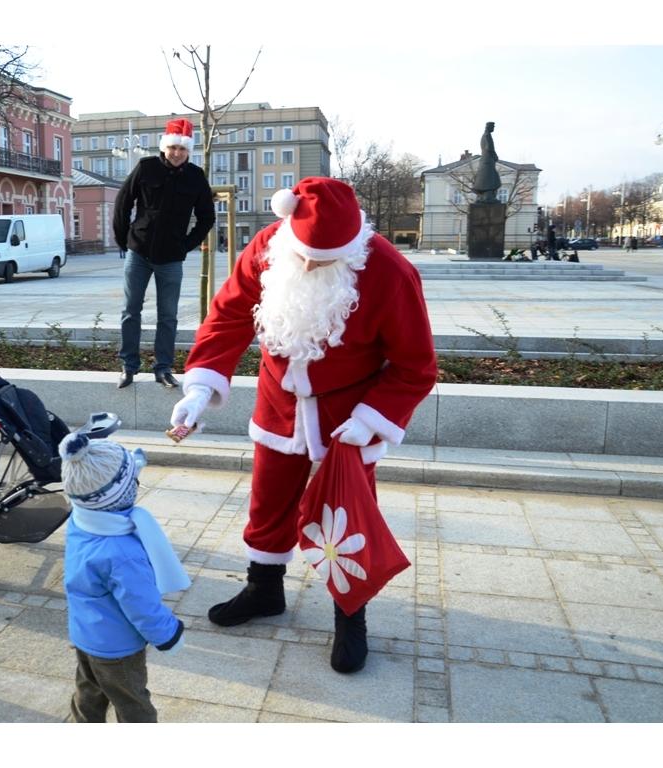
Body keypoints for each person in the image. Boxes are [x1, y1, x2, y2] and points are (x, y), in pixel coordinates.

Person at [169, 177, 437, 674]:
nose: (312, 265)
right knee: (268, 499)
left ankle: (350, 615)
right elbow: (228, 315)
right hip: (279, 400)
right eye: (307, 256)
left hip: (349, 415)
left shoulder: (390, 271)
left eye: (326, 259)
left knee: (347, 517)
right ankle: (263, 589)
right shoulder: (268, 245)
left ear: (354, 247)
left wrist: (370, 420)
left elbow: (416, 365)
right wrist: (200, 389)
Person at [59, 432, 189, 722]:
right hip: (118, 648)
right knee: (133, 704)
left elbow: (103, 488)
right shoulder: (122, 553)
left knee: (88, 693)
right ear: (121, 495)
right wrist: (169, 633)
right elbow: (140, 604)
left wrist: (131, 467)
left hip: (85, 635)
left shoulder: (82, 519)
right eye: (134, 482)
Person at [113, 118, 214, 390]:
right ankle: (128, 366)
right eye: (172, 148)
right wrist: (124, 240)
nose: (177, 153)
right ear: (164, 147)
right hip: (139, 252)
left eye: (181, 149)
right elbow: (122, 203)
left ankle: (164, 368)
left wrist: (186, 245)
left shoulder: (195, 176)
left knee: (168, 315)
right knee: (130, 310)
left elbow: (206, 217)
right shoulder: (146, 167)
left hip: (171, 257)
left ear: (188, 151)